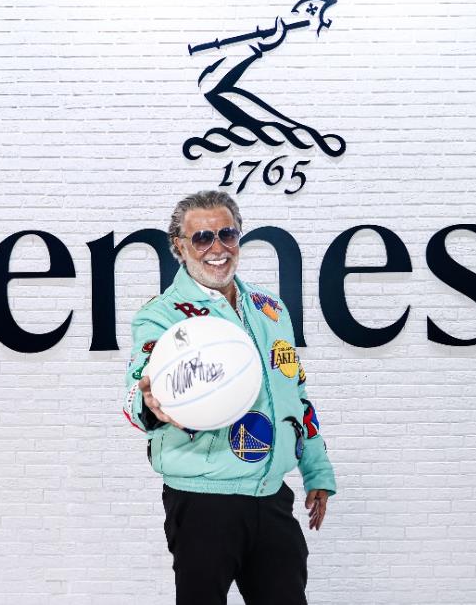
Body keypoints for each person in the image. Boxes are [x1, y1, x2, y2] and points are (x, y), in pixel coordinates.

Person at [122, 190, 336, 605]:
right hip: (203, 503)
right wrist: (149, 403)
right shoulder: (161, 315)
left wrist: (317, 471)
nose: (217, 248)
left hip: (271, 496)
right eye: (202, 238)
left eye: (227, 234)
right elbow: (138, 386)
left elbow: (296, 393)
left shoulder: (271, 309)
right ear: (180, 246)